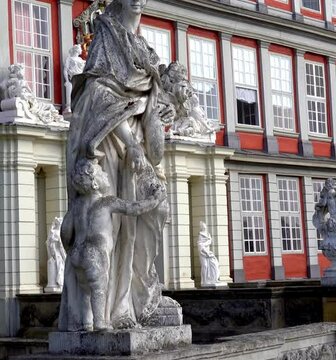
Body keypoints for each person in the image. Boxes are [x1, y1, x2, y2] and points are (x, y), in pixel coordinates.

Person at [61, 0, 176, 331]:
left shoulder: (145, 51)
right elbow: (98, 93)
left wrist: (157, 119)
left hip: (134, 147)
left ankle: (126, 304)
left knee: (135, 224)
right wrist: (131, 142)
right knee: (108, 227)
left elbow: (152, 110)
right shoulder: (105, 38)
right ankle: (99, 315)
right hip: (109, 141)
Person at [61, 158, 165, 331]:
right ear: (95, 183)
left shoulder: (77, 206)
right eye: (101, 173)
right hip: (96, 251)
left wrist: (69, 249)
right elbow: (134, 208)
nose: (106, 174)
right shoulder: (106, 202)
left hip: (77, 252)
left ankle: (86, 323)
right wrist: (155, 199)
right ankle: (100, 322)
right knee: (98, 289)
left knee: (84, 292)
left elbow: (65, 231)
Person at [198, 222, 220, 286]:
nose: (204, 227)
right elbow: (200, 244)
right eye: (203, 226)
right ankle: (204, 281)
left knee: (211, 265)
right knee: (204, 266)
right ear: (201, 227)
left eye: (205, 226)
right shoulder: (200, 235)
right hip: (202, 252)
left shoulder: (208, 234)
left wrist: (206, 244)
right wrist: (205, 248)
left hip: (207, 251)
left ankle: (211, 279)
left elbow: (210, 241)